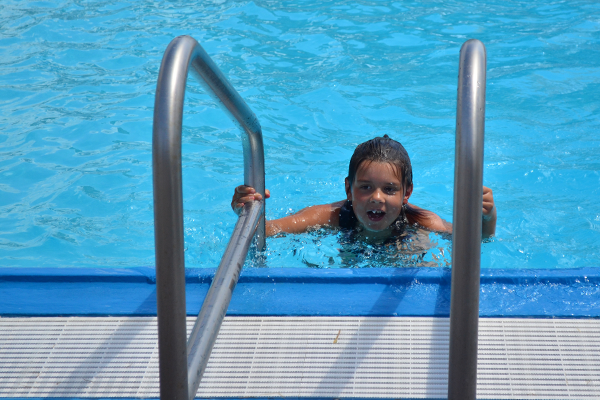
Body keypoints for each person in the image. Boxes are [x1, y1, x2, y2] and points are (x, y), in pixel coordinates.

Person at [231, 135, 496, 240]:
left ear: (407, 193)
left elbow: (475, 240)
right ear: (349, 189)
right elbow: (267, 232)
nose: (377, 198)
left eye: (390, 189)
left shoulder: (422, 221)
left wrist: (485, 216)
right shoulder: (329, 216)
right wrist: (247, 210)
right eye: (366, 187)